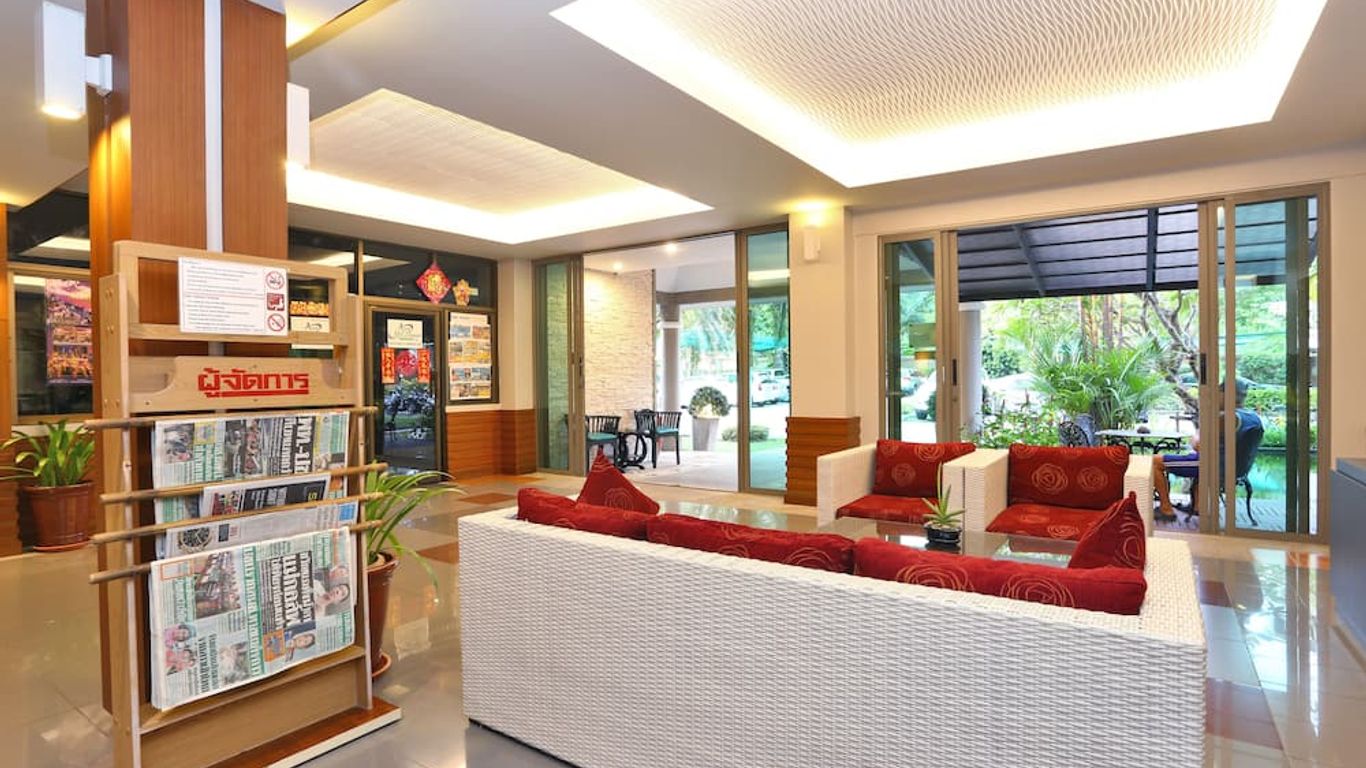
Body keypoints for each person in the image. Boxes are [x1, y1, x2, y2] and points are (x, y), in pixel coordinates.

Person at [1154, 379, 1263, 518]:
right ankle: (1198, 507)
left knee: (1154, 461)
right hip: (1236, 469)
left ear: (1225, 394)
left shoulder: (1227, 417)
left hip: (1213, 466)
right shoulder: (1253, 417)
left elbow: (1198, 446)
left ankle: (1166, 509)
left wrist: (1199, 430)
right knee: (1193, 460)